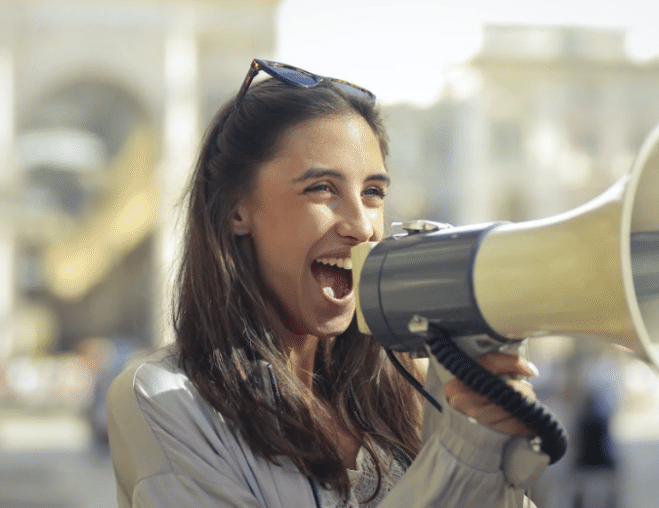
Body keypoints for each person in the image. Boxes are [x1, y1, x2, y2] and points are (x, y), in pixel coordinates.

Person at [106, 59, 541, 507]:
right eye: (322, 189)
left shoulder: (415, 387)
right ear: (238, 210)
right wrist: (460, 459)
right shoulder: (165, 400)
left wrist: (497, 458)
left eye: (373, 193)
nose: (362, 226)